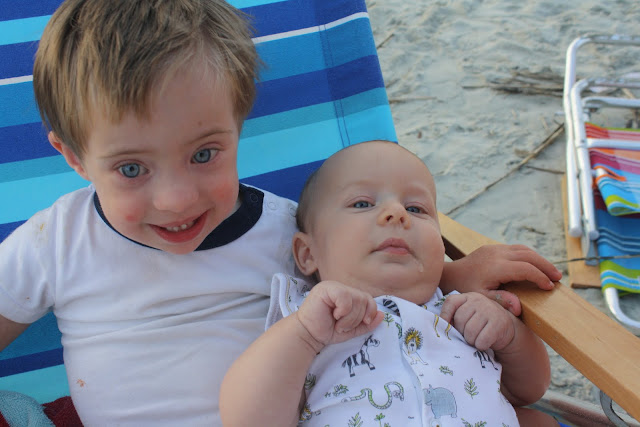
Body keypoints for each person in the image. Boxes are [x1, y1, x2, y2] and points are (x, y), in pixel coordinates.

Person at [0, 1, 561, 425]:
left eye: (204, 154)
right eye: (131, 169)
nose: (176, 199)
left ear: (237, 127)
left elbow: (374, 277)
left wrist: (456, 275)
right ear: (74, 157)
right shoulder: (58, 239)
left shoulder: (287, 230)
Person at [220, 141, 558, 426]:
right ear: (308, 254)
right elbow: (249, 419)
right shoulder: (306, 319)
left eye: (417, 208)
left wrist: (509, 336)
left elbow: (529, 390)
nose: (397, 213)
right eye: (362, 204)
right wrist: (305, 334)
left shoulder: (459, 310)